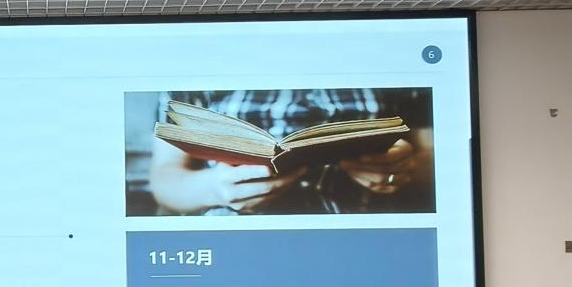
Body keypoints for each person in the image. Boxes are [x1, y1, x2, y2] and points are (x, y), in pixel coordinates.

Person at [148, 89, 433, 215]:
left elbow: (436, 161)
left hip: (368, 227)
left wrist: (402, 169)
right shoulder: (192, 66)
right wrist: (215, 189)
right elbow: (164, 178)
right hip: (234, 234)